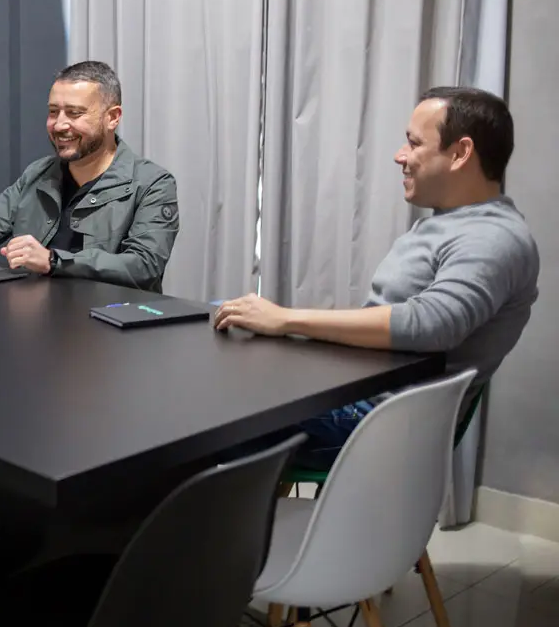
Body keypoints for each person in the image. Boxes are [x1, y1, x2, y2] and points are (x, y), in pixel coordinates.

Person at [214, 87, 538, 470]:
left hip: (376, 423)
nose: (400, 156)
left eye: (414, 144)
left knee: (203, 403)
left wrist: (285, 319)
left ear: (460, 153)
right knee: (224, 328)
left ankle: (189, 520)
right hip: (357, 393)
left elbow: (432, 324)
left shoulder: (494, 238)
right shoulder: (451, 224)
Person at [0, 60, 180, 292]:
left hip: (106, 319)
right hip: (31, 315)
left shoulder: (153, 183)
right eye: (53, 112)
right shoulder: (39, 173)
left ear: (112, 117)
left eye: (74, 113)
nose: (59, 125)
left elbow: (144, 266)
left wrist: (53, 261)